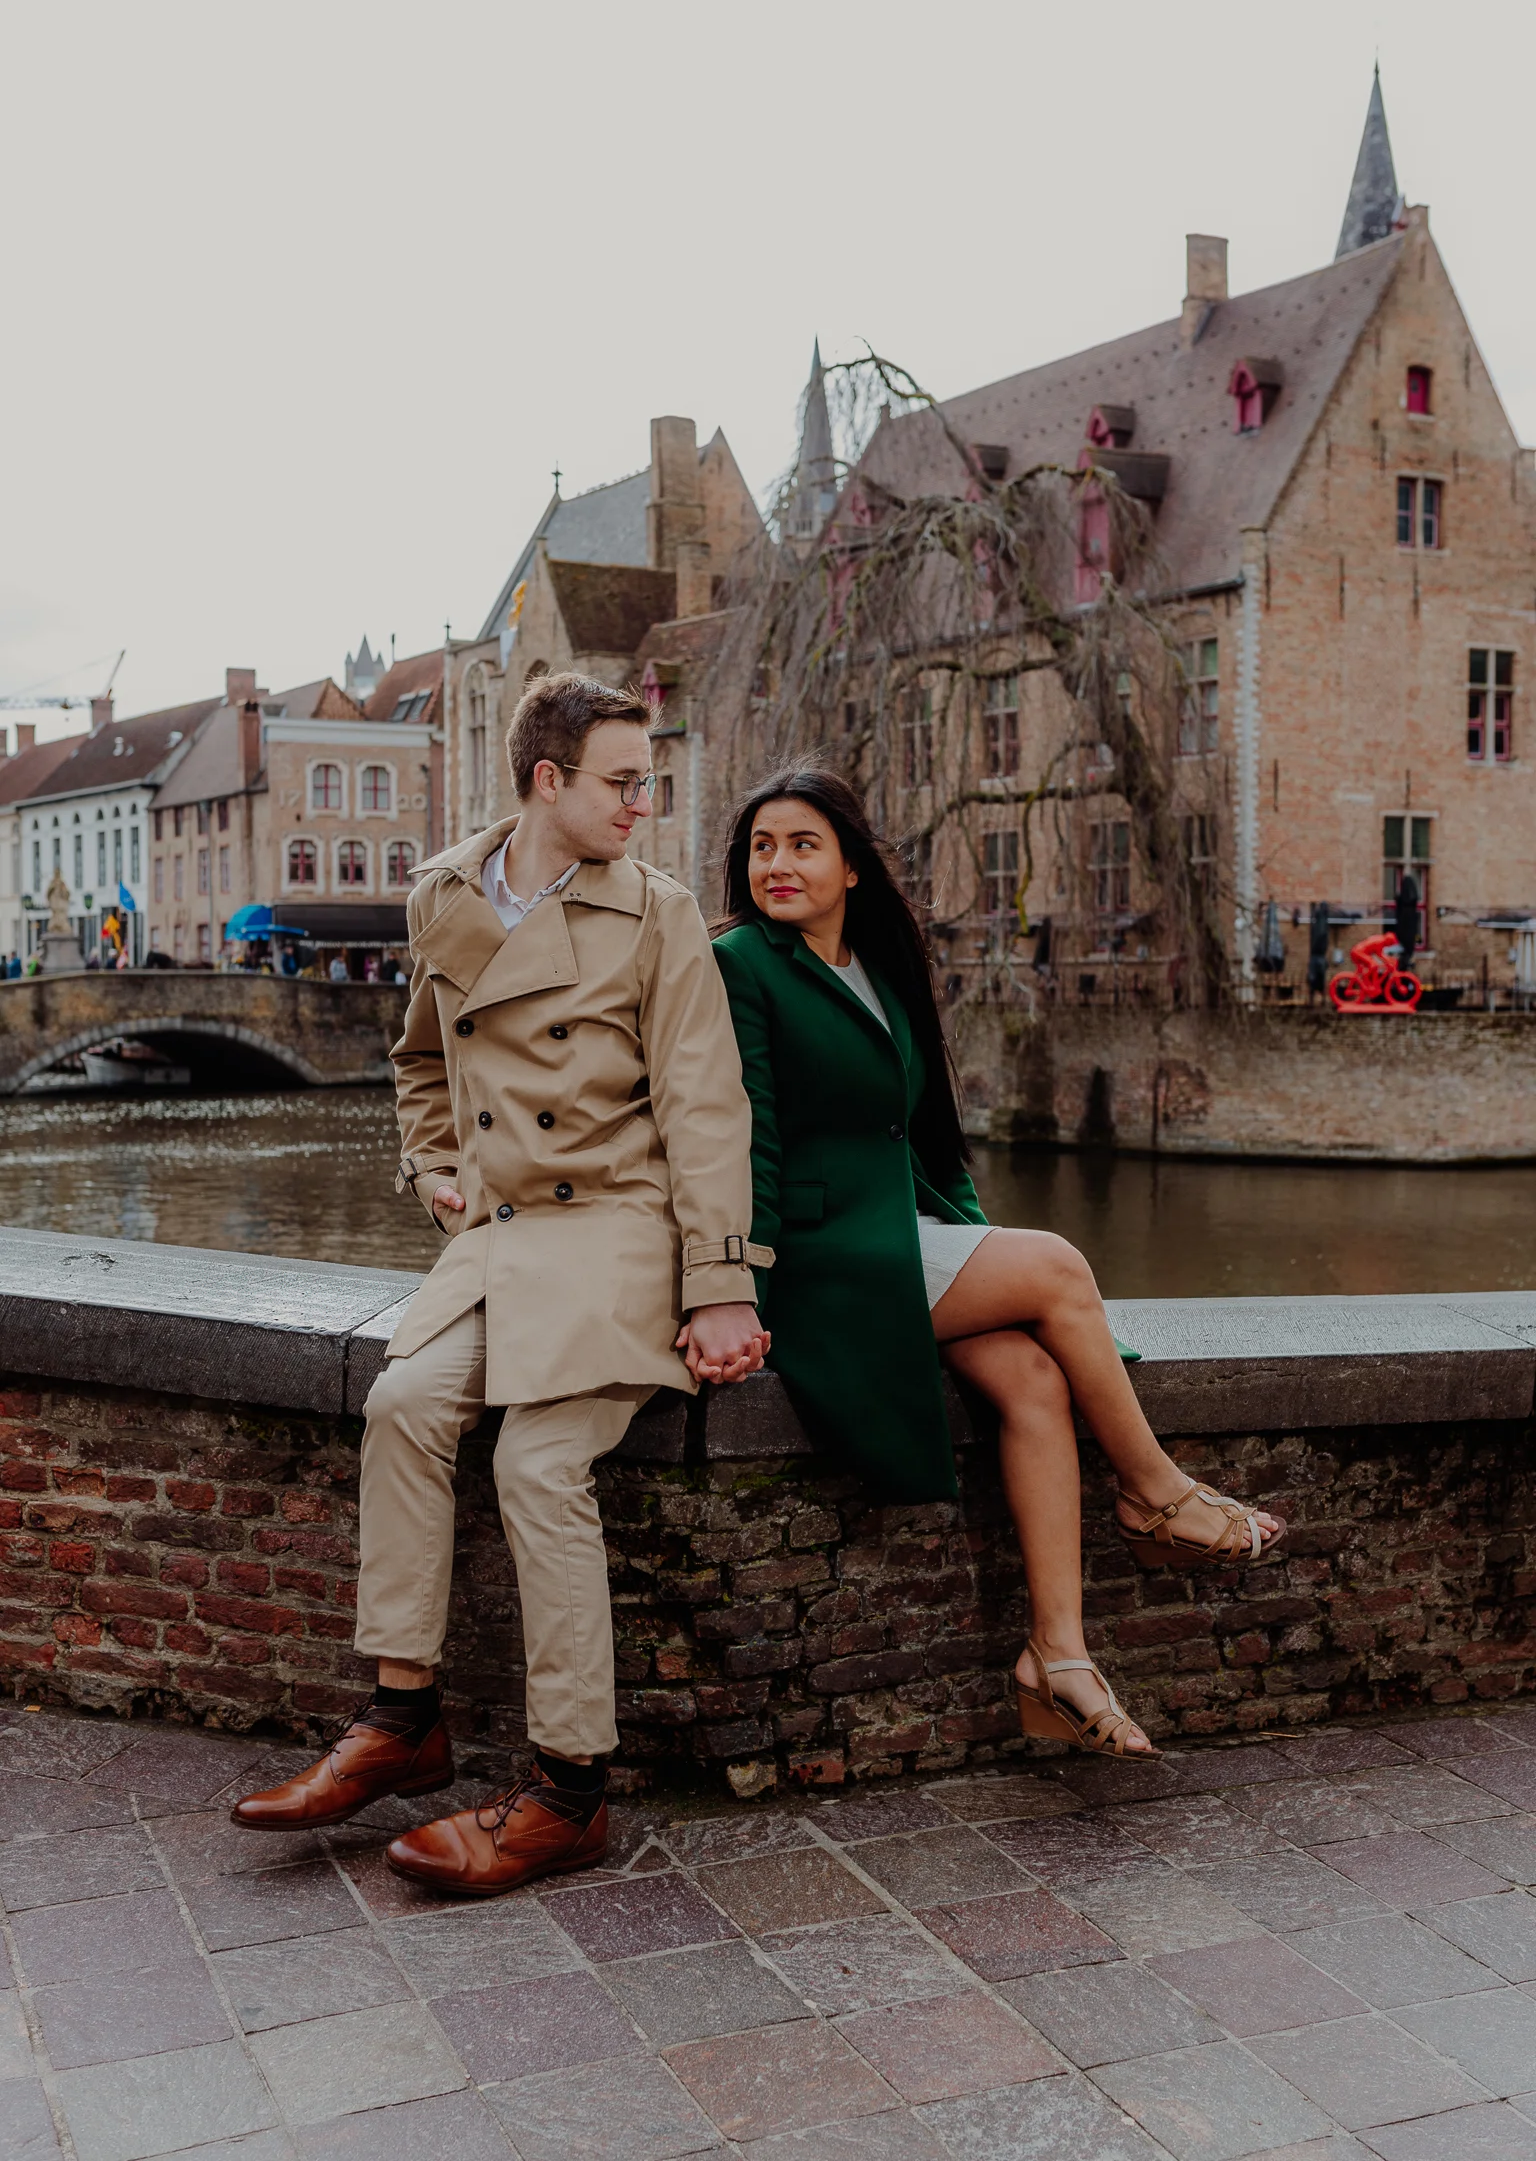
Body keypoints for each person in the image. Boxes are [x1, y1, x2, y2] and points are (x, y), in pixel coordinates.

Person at [232, 673, 769, 1886]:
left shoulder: (659, 915)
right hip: (498, 1235)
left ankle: (571, 1786)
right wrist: (433, 1167)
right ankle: (402, 1719)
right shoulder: (445, 898)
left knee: (538, 1462)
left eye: (649, 782)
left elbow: (706, 1108)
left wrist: (721, 1282)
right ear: (548, 781)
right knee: (402, 1408)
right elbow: (419, 1060)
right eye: (624, 782)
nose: (646, 803)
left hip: (620, 1227)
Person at [712, 767, 1283, 1760]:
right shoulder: (741, 964)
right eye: (762, 846)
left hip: (898, 1233)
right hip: (821, 1258)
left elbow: (930, 1144)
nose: (778, 864)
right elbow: (744, 1138)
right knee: (1060, 1267)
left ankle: (1056, 1660)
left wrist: (974, 1238)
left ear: (851, 865)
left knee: (1030, 1377)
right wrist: (743, 1294)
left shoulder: (881, 966)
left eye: (802, 843)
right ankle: (1154, 1493)